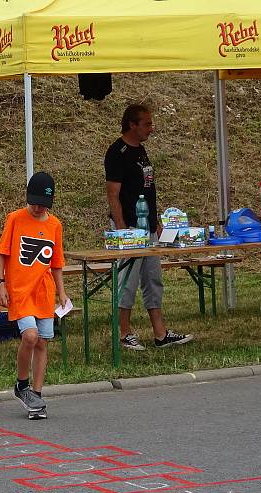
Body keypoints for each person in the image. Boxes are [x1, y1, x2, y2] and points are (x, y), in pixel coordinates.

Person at [104, 103, 193, 351]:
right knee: (128, 281)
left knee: (153, 279)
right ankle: (124, 333)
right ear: (132, 124)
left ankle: (160, 333)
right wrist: (122, 229)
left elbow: (147, 190)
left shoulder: (141, 151)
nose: (151, 129)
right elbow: (113, 194)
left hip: (149, 227)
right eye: (147, 124)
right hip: (130, 229)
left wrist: (158, 221)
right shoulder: (117, 152)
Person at [0, 172, 68, 420]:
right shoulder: (15, 219)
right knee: (30, 335)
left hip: (43, 292)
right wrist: (0, 283)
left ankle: (36, 393)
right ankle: (21, 384)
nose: (37, 208)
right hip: (20, 291)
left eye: (42, 204)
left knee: (42, 342)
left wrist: (62, 292)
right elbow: (1, 252)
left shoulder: (54, 225)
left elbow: (56, 263)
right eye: (33, 202)